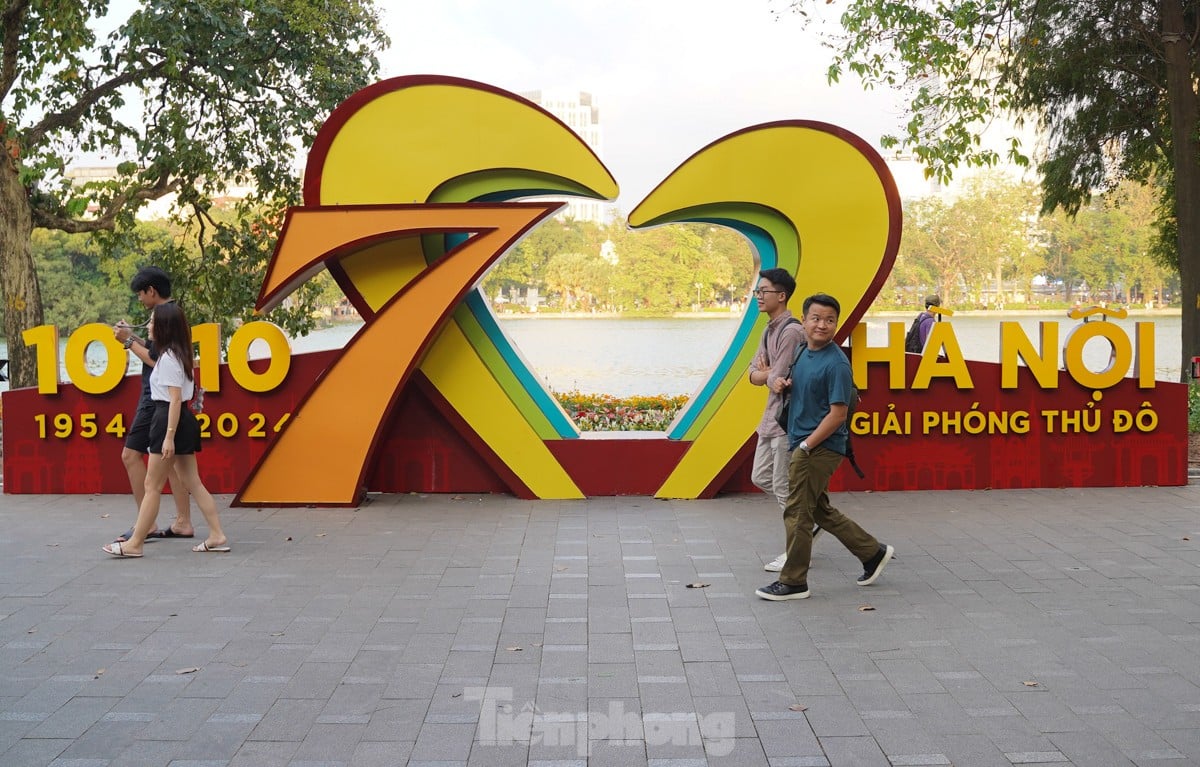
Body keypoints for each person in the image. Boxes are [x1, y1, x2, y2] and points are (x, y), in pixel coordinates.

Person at [756, 293, 894, 601]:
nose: (822, 325)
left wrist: (805, 445)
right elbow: (803, 389)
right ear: (803, 321)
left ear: (836, 324)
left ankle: (793, 581)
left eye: (829, 320)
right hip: (803, 442)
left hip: (819, 446)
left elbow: (838, 414)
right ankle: (872, 553)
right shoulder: (803, 352)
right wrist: (781, 384)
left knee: (797, 512)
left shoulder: (837, 364)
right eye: (816, 318)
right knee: (819, 509)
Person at [103, 302, 230, 557]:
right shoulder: (176, 353)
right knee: (192, 482)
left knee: (152, 484)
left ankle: (135, 543)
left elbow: (173, 399)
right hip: (179, 419)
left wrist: (168, 436)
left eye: (151, 322)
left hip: (168, 419)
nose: (149, 325)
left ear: (163, 327)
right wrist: (131, 337)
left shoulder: (170, 358)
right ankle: (217, 534)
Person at [112, 267, 194, 542]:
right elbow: (157, 351)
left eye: (140, 293)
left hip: (154, 398)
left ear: (152, 291)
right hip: (159, 396)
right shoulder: (173, 312)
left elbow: (156, 360)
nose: (139, 299)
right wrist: (131, 337)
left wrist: (126, 342)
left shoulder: (162, 315)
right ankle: (182, 521)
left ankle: (146, 523)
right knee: (171, 464)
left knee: (130, 456)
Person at [747, 268, 819, 573]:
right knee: (761, 477)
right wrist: (766, 375)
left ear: (782, 295)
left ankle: (795, 550)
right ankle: (808, 524)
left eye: (764, 292)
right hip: (770, 417)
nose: (759, 297)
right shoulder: (768, 330)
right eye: (757, 292)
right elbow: (754, 373)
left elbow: (778, 377)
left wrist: (767, 374)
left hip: (786, 420)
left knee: (780, 485)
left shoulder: (791, 331)